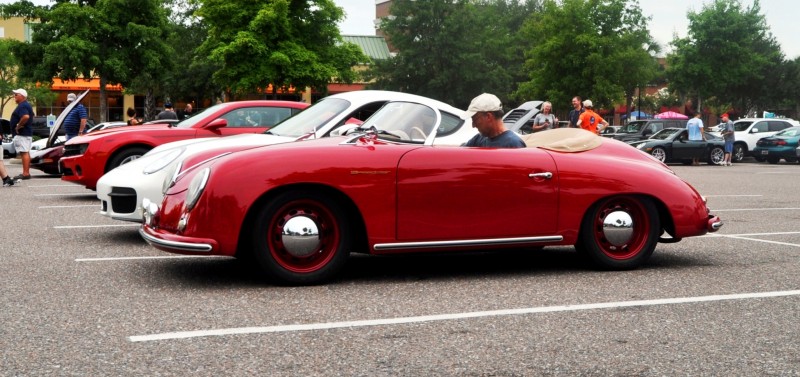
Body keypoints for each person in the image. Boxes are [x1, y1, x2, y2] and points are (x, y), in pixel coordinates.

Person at [10, 88, 34, 180]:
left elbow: (26, 116)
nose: (14, 96)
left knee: (24, 153)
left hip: (22, 133)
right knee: (25, 152)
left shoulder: (22, 106)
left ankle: (26, 173)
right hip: (25, 133)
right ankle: (26, 172)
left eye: (16, 95)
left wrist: (18, 126)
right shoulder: (26, 105)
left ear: (22, 96)